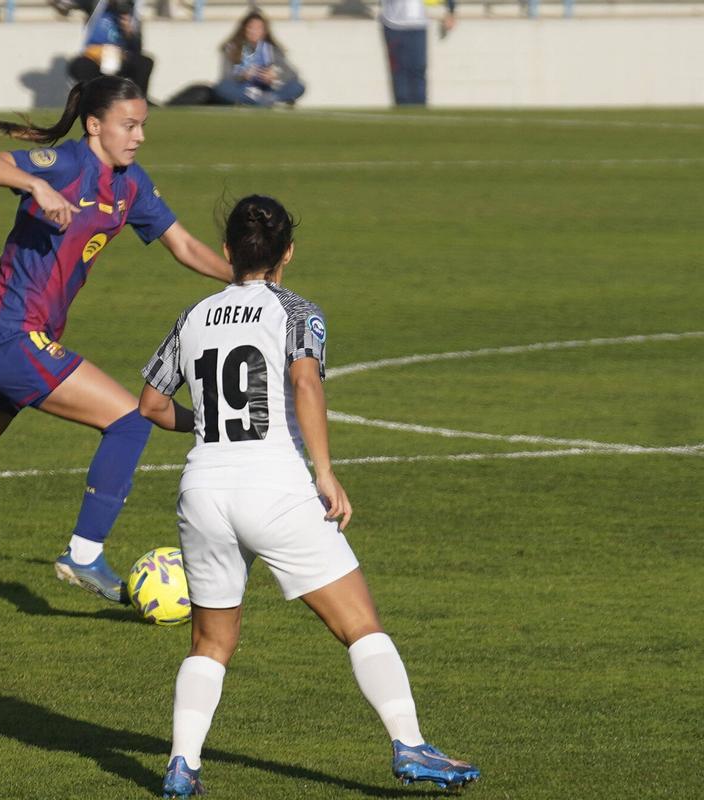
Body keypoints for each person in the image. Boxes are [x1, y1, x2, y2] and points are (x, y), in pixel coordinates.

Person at [138, 195, 480, 797]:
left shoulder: (193, 316)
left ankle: (182, 765)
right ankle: (410, 745)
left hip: (203, 488)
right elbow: (303, 382)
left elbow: (151, 405)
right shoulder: (297, 312)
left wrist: (210, 425)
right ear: (287, 253)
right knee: (360, 624)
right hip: (275, 486)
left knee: (211, 641)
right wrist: (324, 470)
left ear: (226, 253)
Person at [0, 76, 232, 613]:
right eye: (130, 124)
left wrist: (246, 279)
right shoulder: (67, 166)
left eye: (143, 124)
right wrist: (35, 185)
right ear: (95, 125)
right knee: (128, 420)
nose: (140, 136)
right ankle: (84, 553)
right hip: (11, 336)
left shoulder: (130, 184)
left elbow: (185, 245)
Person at [214, 10, 305, 108]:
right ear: (244, 29)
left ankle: (272, 99)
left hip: (266, 89)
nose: (254, 31)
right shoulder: (232, 48)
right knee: (222, 87)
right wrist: (243, 75)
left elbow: (293, 74)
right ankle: (256, 100)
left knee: (298, 86)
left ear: (265, 31)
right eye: (251, 28)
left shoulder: (271, 49)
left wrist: (275, 75)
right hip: (243, 88)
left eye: (258, 28)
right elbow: (226, 76)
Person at [68, 0, 155, 99]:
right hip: (95, 54)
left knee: (144, 63)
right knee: (81, 65)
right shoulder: (96, 6)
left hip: (121, 55)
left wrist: (129, 33)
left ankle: (138, 99)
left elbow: (137, 48)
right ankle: (93, 99)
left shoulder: (131, 13)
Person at [381, 0, 456, 106]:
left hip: (418, 24)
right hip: (394, 24)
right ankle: (402, 110)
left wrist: (451, 11)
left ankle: (421, 109)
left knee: (418, 69)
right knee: (399, 72)